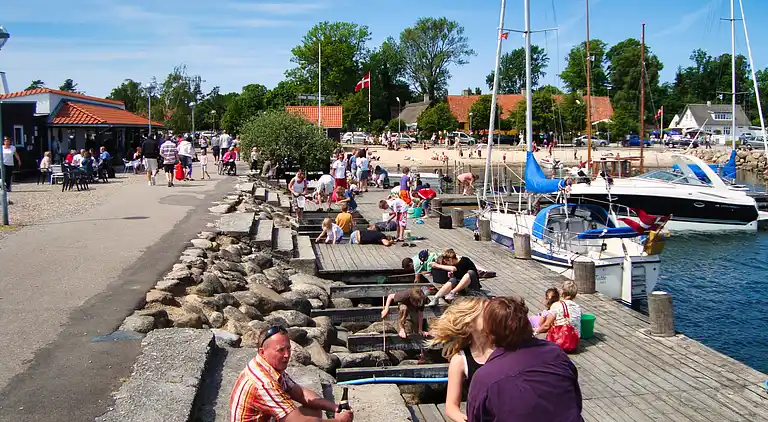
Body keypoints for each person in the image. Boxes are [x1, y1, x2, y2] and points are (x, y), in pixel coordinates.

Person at [466, 296, 582, 422]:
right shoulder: (556, 354)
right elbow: (575, 403)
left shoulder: (485, 377)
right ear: (527, 323)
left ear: (489, 333)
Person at [230, 326, 354, 422]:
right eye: (280, 350)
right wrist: (339, 420)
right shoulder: (265, 383)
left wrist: (336, 407)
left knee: (312, 408)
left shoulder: (266, 365)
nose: (287, 355)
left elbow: (300, 393)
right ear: (262, 352)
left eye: (288, 348)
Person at [429, 297, 493, 422]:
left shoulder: (504, 349)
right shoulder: (460, 360)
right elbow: (451, 406)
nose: (493, 317)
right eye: (487, 314)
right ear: (470, 323)